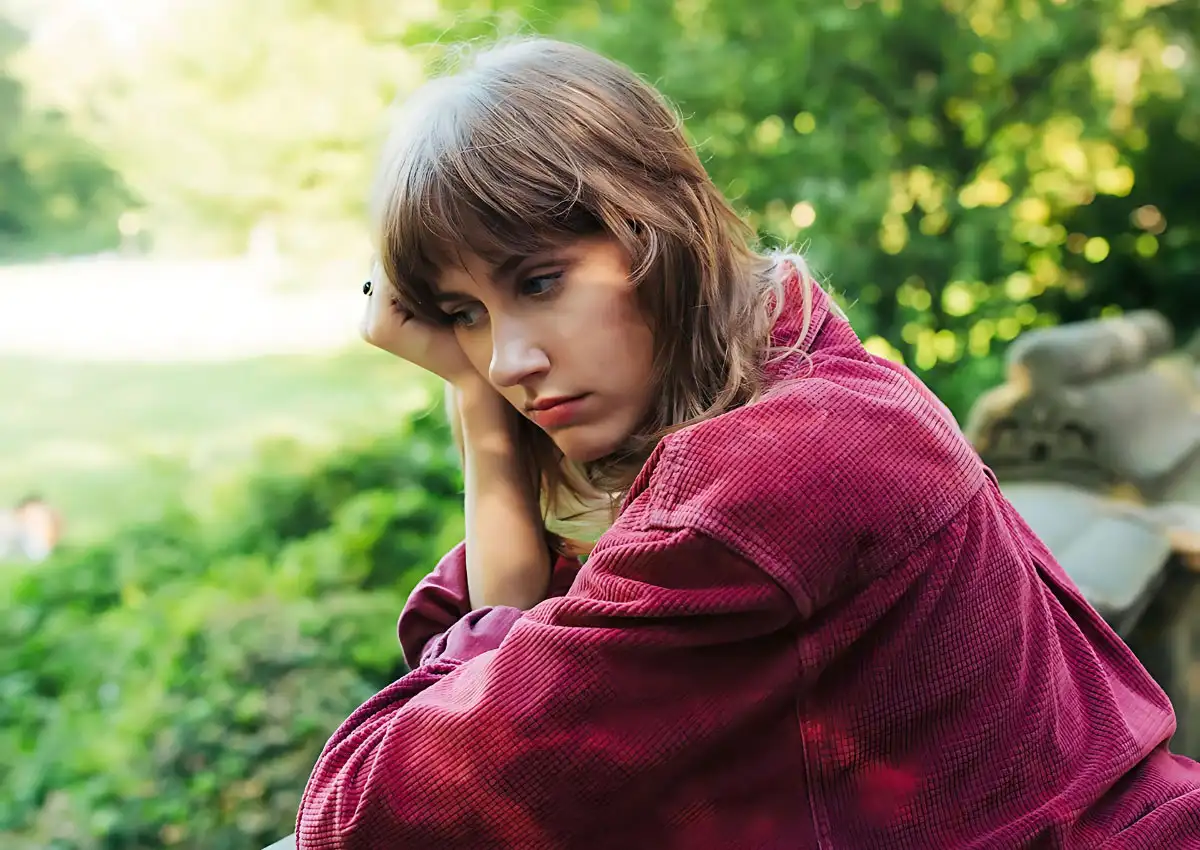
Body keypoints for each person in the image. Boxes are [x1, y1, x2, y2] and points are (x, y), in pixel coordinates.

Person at [295, 37, 1200, 849]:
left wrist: (476, 412)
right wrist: (473, 399)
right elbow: (520, 650)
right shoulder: (808, 377)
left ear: (660, 227)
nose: (508, 361)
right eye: (464, 317)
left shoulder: (772, 479)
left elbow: (365, 808)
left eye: (539, 280)